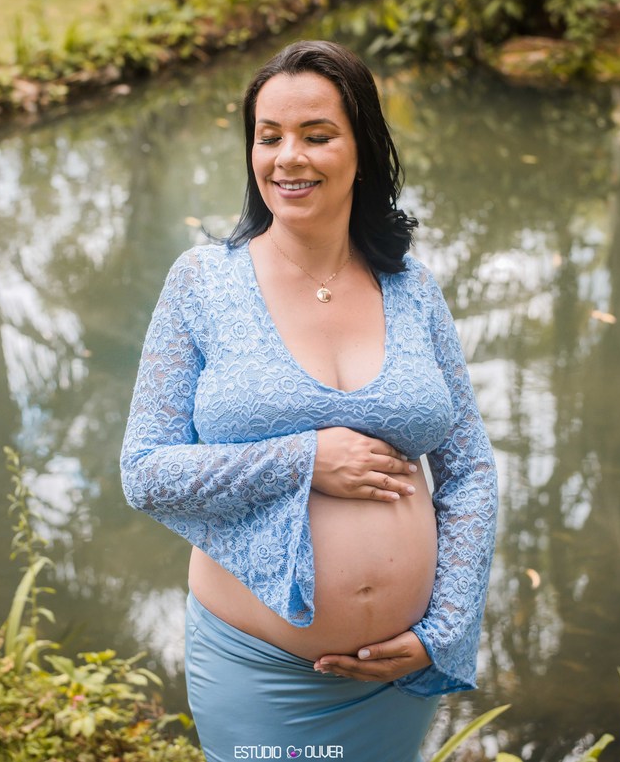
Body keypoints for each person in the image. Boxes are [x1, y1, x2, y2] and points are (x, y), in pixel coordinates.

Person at [120, 40, 498, 762]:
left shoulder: (412, 288)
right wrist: (304, 459)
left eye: (316, 135)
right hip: (260, 670)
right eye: (269, 137)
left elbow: (470, 469)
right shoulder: (203, 282)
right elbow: (145, 471)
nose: (287, 158)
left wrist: (443, 627)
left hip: (396, 674)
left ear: (364, 149)